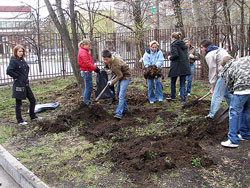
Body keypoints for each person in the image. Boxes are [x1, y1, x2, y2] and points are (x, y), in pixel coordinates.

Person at [7, 45, 41, 125]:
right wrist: (17, 77)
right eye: (19, 51)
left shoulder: (22, 60)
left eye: (22, 51)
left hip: (25, 84)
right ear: (15, 52)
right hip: (19, 85)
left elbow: (26, 69)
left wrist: (24, 78)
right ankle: (20, 120)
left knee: (32, 100)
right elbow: (9, 71)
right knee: (18, 103)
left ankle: (33, 116)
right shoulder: (14, 61)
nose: (21, 53)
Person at [220, 56, 250, 148]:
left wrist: (234, 93)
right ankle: (245, 134)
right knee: (247, 110)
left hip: (241, 89)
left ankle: (233, 140)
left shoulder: (227, 68)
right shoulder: (244, 60)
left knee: (234, 112)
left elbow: (229, 85)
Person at [200, 39, 232, 119]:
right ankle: (233, 109)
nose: (201, 49)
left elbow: (213, 70)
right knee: (227, 94)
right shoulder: (219, 49)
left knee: (217, 95)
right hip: (232, 72)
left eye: (201, 47)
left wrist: (213, 86)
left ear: (206, 47)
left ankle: (212, 115)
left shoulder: (209, 55)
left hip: (225, 74)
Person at [102, 50, 131, 120]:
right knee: (118, 94)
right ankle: (125, 108)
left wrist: (112, 82)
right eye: (104, 59)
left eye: (106, 59)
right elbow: (107, 66)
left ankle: (119, 113)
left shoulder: (116, 63)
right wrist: (105, 69)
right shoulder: (109, 60)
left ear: (110, 57)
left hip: (125, 77)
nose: (105, 61)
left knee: (121, 95)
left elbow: (120, 75)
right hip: (119, 74)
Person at [168, 32, 191, 103]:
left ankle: (173, 97)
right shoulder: (183, 44)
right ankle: (183, 100)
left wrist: (170, 58)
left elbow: (175, 55)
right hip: (184, 66)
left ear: (173, 38)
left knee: (173, 82)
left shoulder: (173, 44)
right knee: (182, 83)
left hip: (176, 66)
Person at [78, 39, 100, 105]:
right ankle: (86, 102)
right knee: (88, 87)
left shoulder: (84, 51)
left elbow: (88, 62)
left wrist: (93, 67)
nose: (89, 47)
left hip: (87, 71)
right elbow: (87, 63)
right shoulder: (83, 52)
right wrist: (95, 68)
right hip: (86, 71)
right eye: (88, 45)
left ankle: (87, 100)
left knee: (89, 86)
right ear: (84, 45)